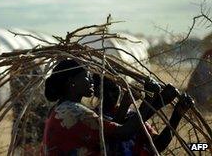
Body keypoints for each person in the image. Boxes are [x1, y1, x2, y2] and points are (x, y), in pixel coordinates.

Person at [42, 58, 180, 155]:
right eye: (86, 76)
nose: (91, 81)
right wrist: (156, 100)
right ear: (71, 82)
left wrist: (157, 101)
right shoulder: (72, 111)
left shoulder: (63, 109)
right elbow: (123, 132)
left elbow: (114, 134)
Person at [93, 74, 194, 155]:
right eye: (106, 91)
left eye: (115, 90)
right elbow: (122, 132)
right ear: (97, 92)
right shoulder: (93, 117)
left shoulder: (132, 114)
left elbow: (158, 145)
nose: (112, 95)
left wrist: (177, 114)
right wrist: (152, 99)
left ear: (121, 89)